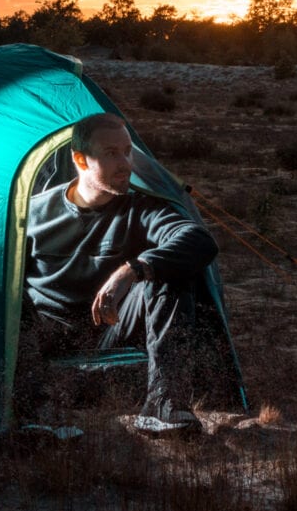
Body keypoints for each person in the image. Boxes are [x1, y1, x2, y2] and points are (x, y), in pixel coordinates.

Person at [23, 112, 218, 434]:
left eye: (128, 151)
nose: (125, 164)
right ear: (81, 160)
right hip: (47, 333)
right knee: (0, 293)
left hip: (112, 328)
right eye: (111, 154)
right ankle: (33, 413)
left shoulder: (141, 208)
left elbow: (199, 241)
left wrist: (132, 269)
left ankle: (165, 408)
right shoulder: (33, 213)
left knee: (168, 273)